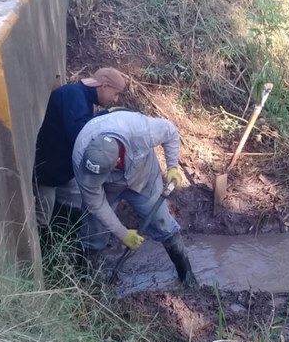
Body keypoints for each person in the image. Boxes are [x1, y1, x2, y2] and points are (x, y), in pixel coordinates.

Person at [72, 109, 198, 288]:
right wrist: (122, 233)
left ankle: (188, 279)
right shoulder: (80, 158)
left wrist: (172, 166)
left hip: (142, 178)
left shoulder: (140, 131)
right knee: (94, 233)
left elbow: (170, 131)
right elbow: (95, 203)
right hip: (106, 190)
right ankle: (84, 284)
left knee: (163, 223)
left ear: (116, 162)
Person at [33, 67, 126, 226]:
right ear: (104, 86)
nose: (116, 99)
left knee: (85, 206)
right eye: (116, 93)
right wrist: (105, 115)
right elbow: (80, 136)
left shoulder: (81, 98)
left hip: (63, 173)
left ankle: (74, 239)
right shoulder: (74, 96)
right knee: (41, 221)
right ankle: (44, 247)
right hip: (47, 176)